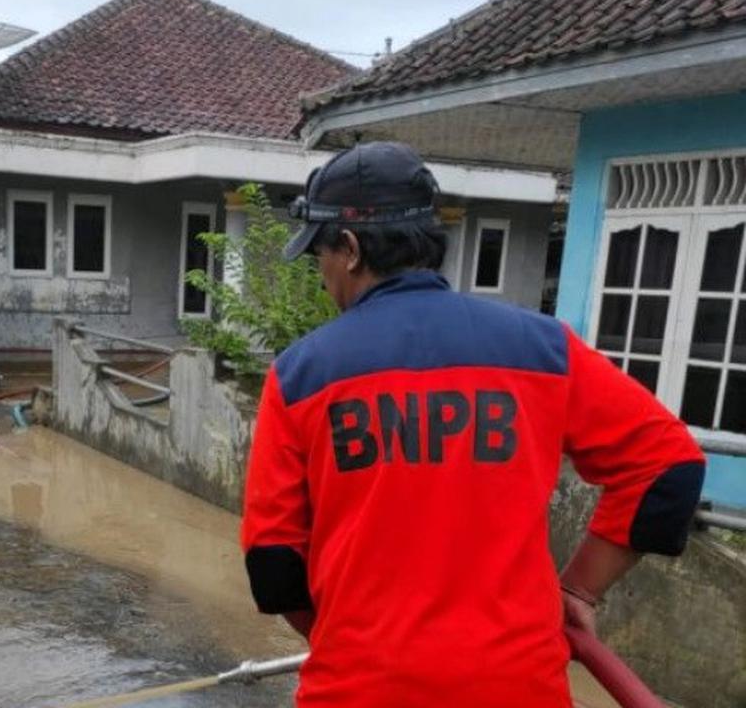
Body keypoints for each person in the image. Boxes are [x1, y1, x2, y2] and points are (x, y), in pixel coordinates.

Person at [240, 142, 705, 708]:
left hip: (360, 690)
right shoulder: (544, 348)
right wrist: (579, 589)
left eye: (321, 254)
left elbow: (273, 563)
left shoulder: (300, 374)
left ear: (352, 249)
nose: (322, 274)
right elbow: (668, 468)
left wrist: (359, 645)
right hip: (520, 688)